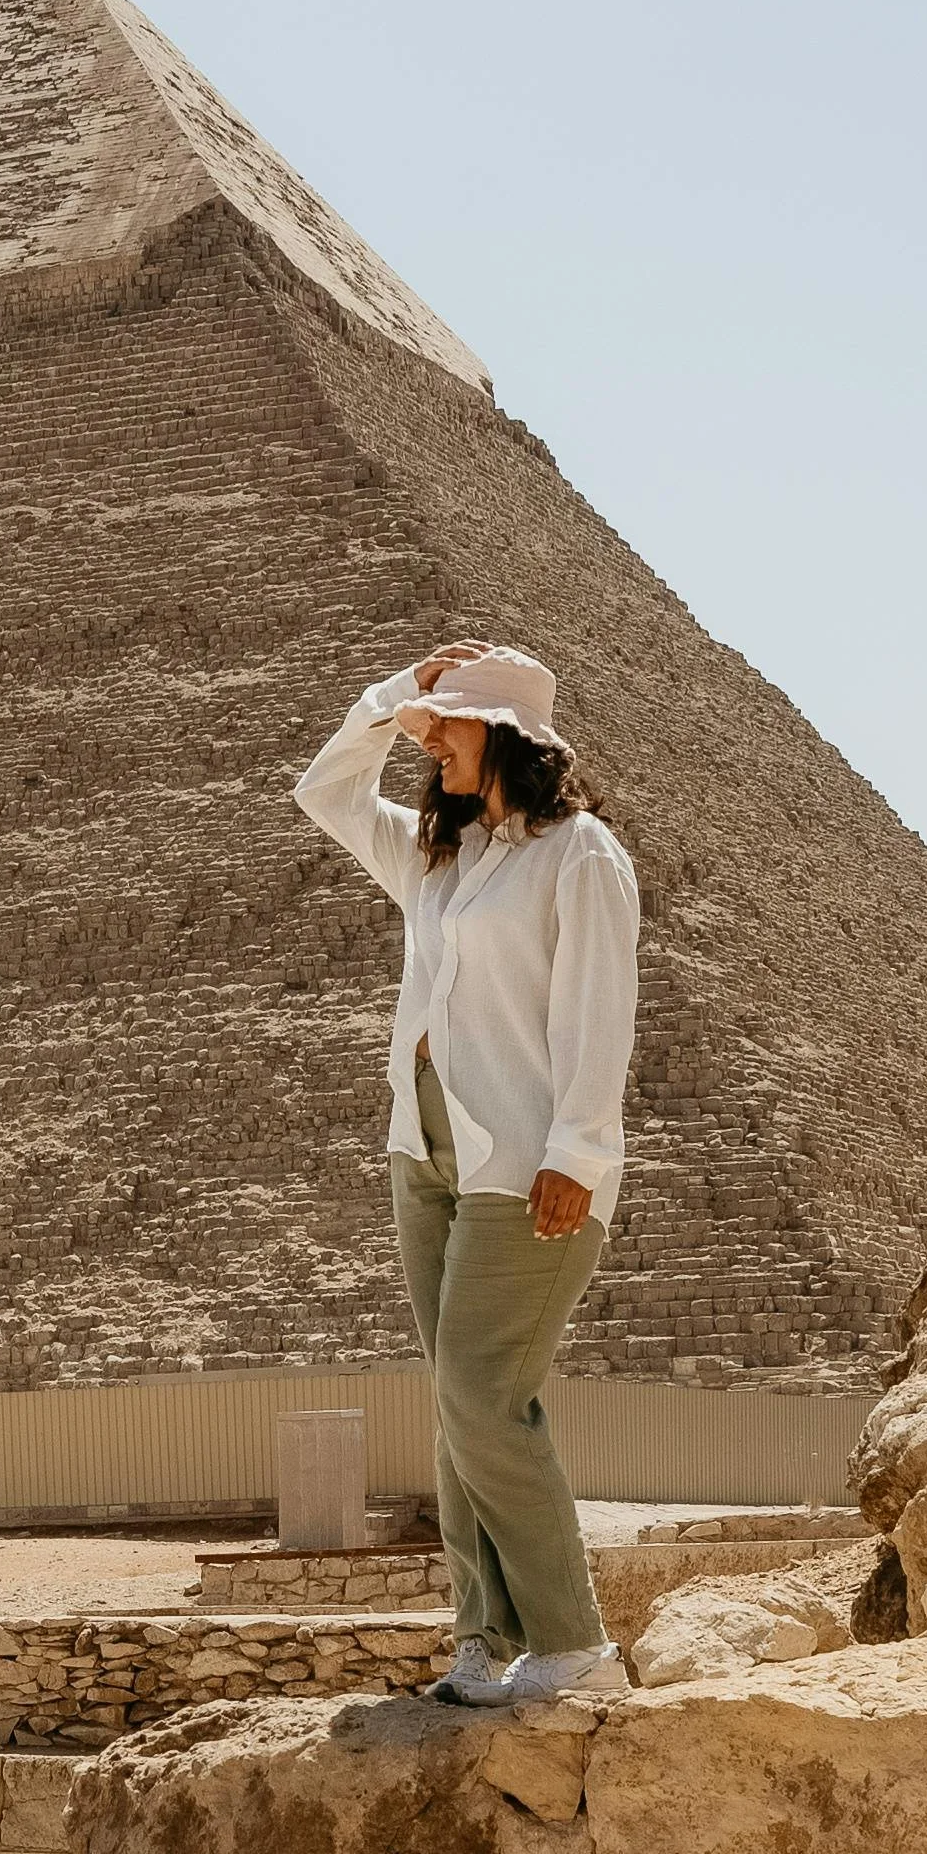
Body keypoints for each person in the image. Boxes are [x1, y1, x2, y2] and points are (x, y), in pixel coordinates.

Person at [292, 640, 639, 1706]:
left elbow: (595, 1010)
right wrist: (396, 694)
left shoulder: (578, 854)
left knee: (482, 1399)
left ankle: (573, 1646)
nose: (426, 745)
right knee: (455, 1401)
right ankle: (481, 1643)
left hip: (524, 1162)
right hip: (425, 1153)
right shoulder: (436, 860)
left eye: (445, 727)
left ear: (504, 736)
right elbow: (322, 791)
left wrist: (575, 1153)